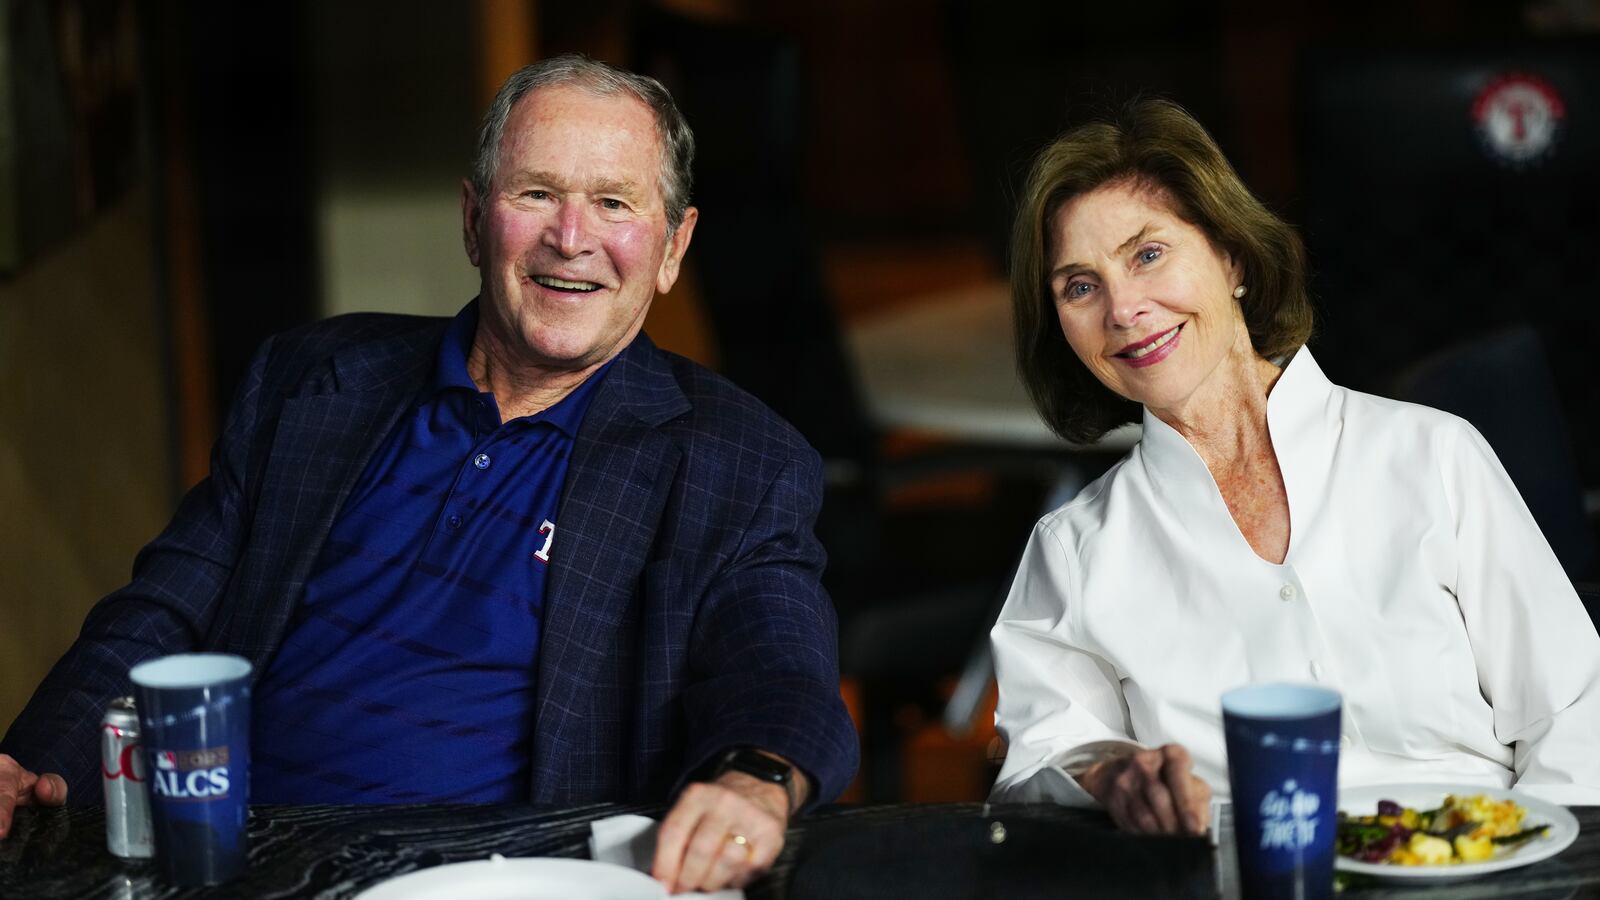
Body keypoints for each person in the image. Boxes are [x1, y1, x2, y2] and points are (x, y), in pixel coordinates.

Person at [0, 54, 858, 893]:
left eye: (613, 203)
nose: (572, 237)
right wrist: (31, 766)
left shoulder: (735, 459)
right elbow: (165, 611)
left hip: (486, 875)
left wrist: (755, 778)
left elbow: (779, 664)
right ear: (473, 217)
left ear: (674, 246)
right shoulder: (313, 379)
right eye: (537, 193)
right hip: (230, 859)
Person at [988, 97, 1600, 836]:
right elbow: (1037, 762)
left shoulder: (1432, 456)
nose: (1123, 309)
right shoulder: (1074, 550)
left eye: (1148, 254)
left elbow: (1574, 713)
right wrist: (1108, 770)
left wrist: (1539, 872)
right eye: (1079, 286)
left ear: (1232, 257)